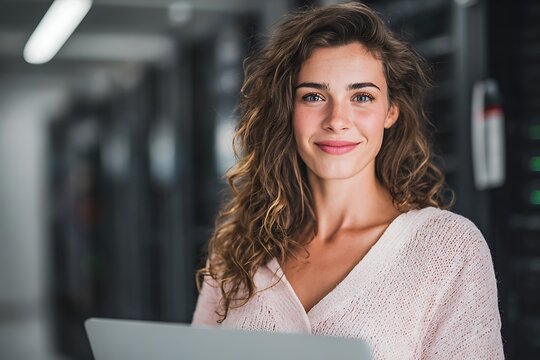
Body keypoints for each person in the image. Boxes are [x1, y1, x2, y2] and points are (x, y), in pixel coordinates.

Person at [192, 2, 504, 359]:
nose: (337, 120)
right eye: (313, 96)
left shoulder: (448, 250)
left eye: (361, 97)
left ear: (390, 112)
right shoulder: (237, 248)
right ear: (287, 111)